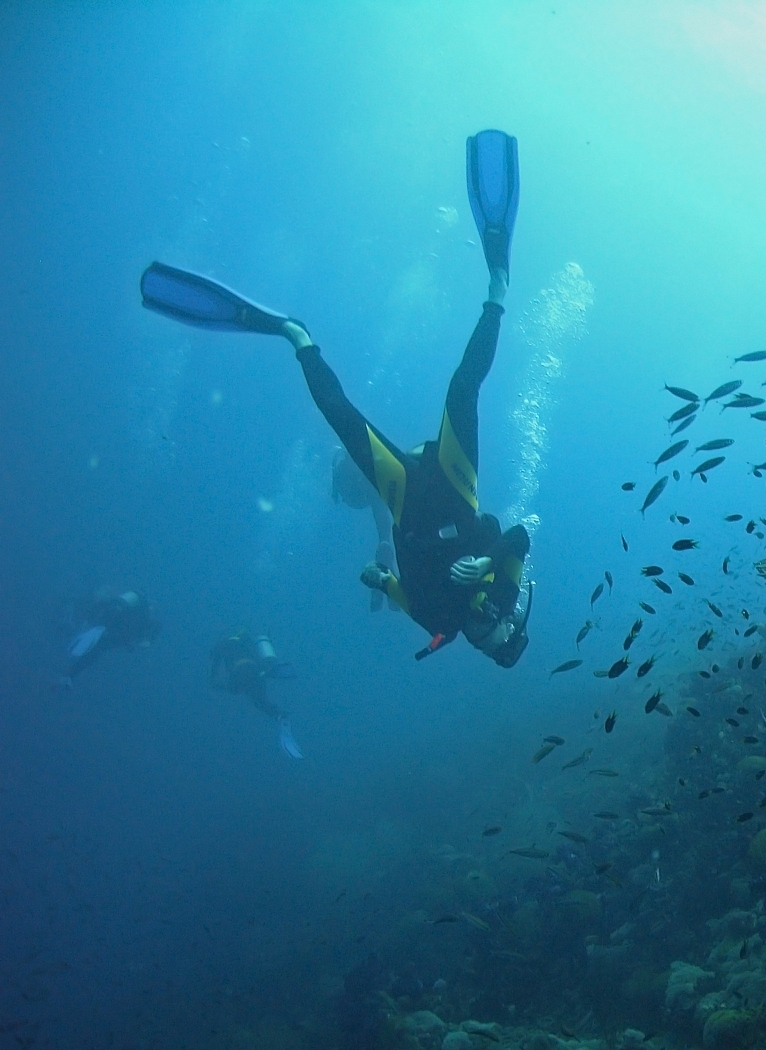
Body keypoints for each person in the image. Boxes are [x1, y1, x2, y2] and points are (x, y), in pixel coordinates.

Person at [139, 130, 533, 667]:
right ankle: (498, 285)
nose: (486, 621)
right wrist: (485, 562)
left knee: (339, 417)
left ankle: (295, 336)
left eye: (485, 633)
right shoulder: (506, 591)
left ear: (477, 645)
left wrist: (379, 578)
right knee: (462, 389)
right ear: (510, 617)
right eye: (498, 624)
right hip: (452, 485)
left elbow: (402, 595)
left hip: (404, 501)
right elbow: (518, 537)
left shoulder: (440, 622)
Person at [210, 629, 303, 758]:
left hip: (240, 671)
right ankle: (280, 716)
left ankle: (279, 715)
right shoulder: (250, 643)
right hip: (257, 673)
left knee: (235, 690)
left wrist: (214, 680)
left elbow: (215, 662)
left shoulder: (225, 643)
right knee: (260, 702)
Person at [330, 446, 397, 613]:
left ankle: (384, 545)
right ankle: (385, 544)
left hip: (359, 494)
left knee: (378, 507)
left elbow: (336, 491)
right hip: (364, 492)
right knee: (379, 509)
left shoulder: (342, 465)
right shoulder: (349, 467)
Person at [62, 588, 159, 684]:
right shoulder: (144, 615)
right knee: (97, 649)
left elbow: (106, 604)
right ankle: (69, 675)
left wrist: (92, 617)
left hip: (109, 621)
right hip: (115, 630)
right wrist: (147, 641)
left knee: (97, 647)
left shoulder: (130, 606)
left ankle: (69, 674)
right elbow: (150, 628)